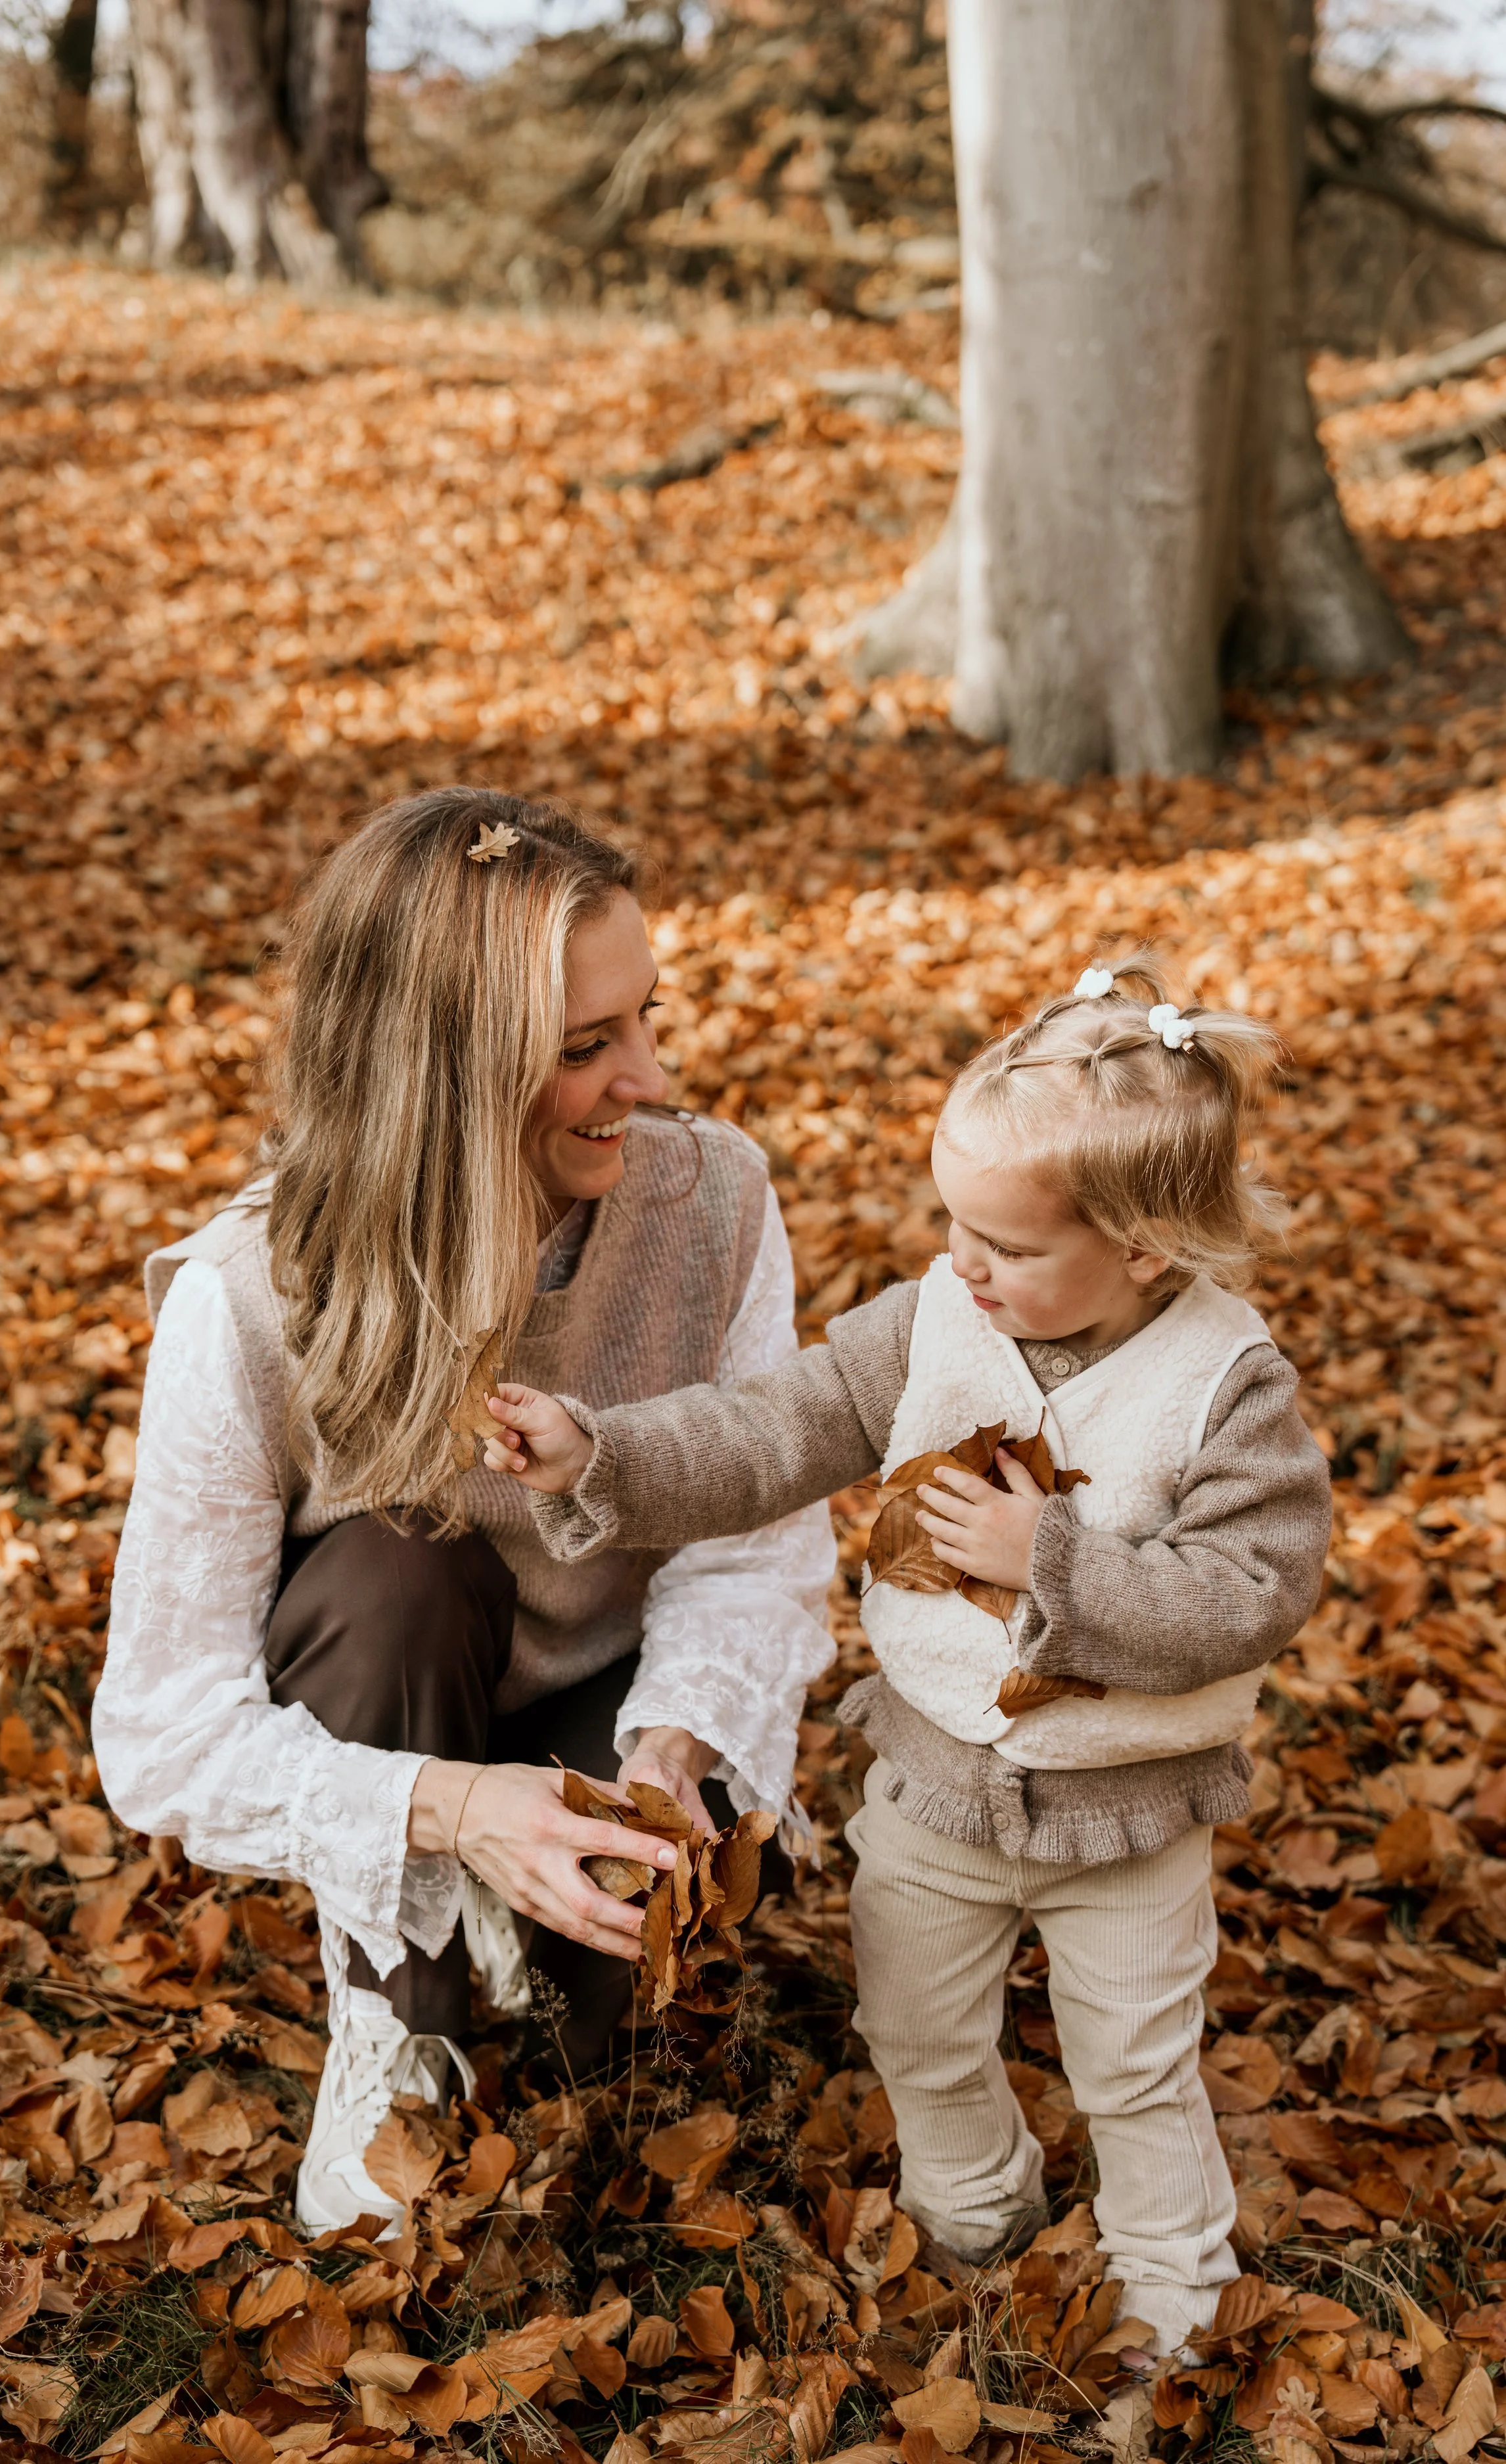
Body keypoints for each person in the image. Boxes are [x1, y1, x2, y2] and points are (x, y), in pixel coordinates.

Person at [480, 959, 1333, 2357]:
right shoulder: (937, 1317)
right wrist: (605, 1452)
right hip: (933, 1787)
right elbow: (775, 1428)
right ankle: (973, 2202)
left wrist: (1045, 1561)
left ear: (1140, 1249)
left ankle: (1173, 2287)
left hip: (1126, 1812)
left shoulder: (1221, 1388)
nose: (966, 1264)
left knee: (1132, 2063)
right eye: (955, 1226)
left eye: (1007, 1244)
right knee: (917, 2027)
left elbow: (1249, 1592)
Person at [93, 789, 834, 2237]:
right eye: (584, 1048)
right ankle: (396, 2021)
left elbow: (752, 1533)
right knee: (396, 1568)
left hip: (601, 1702)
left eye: (646, 1019)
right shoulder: (248, 1297)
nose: (652, 1077)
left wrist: (675, 1739)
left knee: (598, 2024)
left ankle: (516, 1908)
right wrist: (442, 1807)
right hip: (385, 1681)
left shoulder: (715, 1204)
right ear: (444, 1074)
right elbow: (160, 1727)